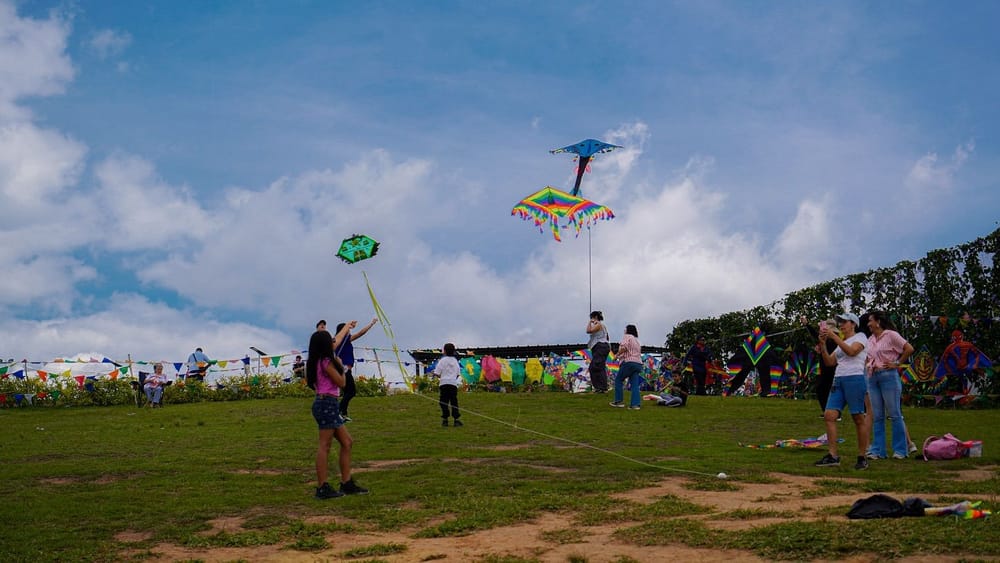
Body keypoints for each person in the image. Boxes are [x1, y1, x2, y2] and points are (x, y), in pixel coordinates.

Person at [307, 321, 368, 499]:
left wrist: (347, 326)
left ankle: (346, 483)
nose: (334, 341)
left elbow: (339, 339)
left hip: (327, 403)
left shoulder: (318, 359)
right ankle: (322, 487)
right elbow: (341, 383)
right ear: (326, 345)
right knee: (324, 446)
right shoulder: (326, 361)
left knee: (347, 442)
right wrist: (341, 367)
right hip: (326, 403)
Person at [815, 312, 870, 470]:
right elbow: (830, 362)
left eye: (845, 322)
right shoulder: (842, 342)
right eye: (840, 322)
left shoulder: (860, 337)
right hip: (838, 380)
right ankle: (833, 455)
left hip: (854, 379)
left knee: (858, 418)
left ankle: (862, 457)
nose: (841, 325)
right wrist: (823, 345)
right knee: (829, 415)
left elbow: (852, 352)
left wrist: (834, 337)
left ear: (853, 324)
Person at [864, 310, 916, 460]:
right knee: (878, 415)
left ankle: (900, 450)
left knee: (894, 414)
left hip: (888, 376)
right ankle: (878, 450)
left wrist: (897, 363)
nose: (869, 324)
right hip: (872, 377)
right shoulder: (870, 339)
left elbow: (909, 348)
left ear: (878, 322)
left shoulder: (891, 335)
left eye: (870, 321)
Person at [335, 318, 378, 422]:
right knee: (351, 392)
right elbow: (359, 334)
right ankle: (339, 412)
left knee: (347, 392)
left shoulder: (343, 340)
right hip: (344, 369)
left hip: (345, 370)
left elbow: (359, 333)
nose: (349, 331)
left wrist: (371, 324)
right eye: (347, 329)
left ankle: (343, 414)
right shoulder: (341, 340)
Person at [802, 316, 838, 417]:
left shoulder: (835, 340)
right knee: (822, 389)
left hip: (832, 369)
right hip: (825, 369)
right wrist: (806, 324)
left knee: (828, 389)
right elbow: (814, 335)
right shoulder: (825, 339)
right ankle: (828, 411)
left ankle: (835, 413)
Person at [610, 324, 643, 410]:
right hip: (638, 364)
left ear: (628, 330)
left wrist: (616, 355)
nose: (624, 330)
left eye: (625, 328)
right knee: (635, 385)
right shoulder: (637, 341)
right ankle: (635, 405)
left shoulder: (627, 336)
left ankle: (618, 401)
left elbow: (624, 347)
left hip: (628, 362)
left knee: (619, 379)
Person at [433, 343, 464, 427]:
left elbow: (437, 373)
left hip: (443, 383)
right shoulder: (455, 361)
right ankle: (456, 419)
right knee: (454, 402)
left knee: (443, 402)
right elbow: (458, 373)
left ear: (445, 351)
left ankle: (445, 419)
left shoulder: (442, 361)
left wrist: (441, 376)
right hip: (453, 384)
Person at [586, 311, 611, 393]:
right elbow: (607, 337)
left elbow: (588, 331)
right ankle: (601, 387)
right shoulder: (603, 326)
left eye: (592, 318)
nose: (591, 319)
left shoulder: (599, 324)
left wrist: (589, 323)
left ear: (595, 317)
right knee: (600, 367)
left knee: (594, 367)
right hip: (603, 346)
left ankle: (600, 387)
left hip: (600, 346)